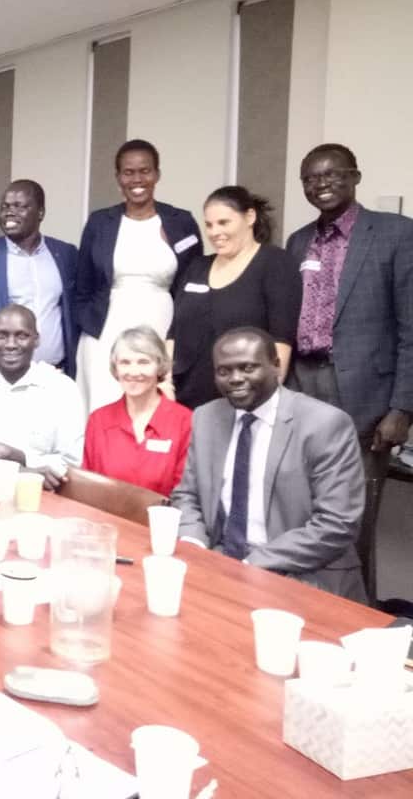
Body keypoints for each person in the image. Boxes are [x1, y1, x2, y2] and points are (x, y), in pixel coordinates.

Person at [172, 328, 366, 601]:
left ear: (276, 366)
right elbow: (187, 495)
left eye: (247, 367)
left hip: (299, 573)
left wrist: (251, 564)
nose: (235, 379)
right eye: (224, 371)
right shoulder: (206, 417)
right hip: (218, 563)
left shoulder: (324, 424)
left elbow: (337, 523)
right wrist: (193, 543)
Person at [287, 143, 413, 483]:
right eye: (309, 179)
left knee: (354, 509)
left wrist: (402, 409)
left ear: (355, 177)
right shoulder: (298, 241)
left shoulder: (397, 234)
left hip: (364, 394)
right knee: (302, 497)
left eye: (331, 174)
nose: (320, 184)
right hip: (302, 383)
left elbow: (410, 329)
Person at [75, 139, 203, 411]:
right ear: (118, 177)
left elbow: (193, 283)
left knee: (155, 406)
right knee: (104, 406)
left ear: (157, 174)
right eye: (128, 172)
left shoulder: (181, 222)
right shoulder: (100, 222)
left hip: (161, 325)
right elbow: (82, 285)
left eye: (145, 171)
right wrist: (89, 324)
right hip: (105, 331)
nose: (137, 179)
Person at [168, 187, 301, 409]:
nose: (214, 232)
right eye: (209, 225)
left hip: (243, 402)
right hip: (184, 401)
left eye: (223, 222)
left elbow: (281, 343)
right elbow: (173, 333)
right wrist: (164, 383)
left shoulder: (275, 263)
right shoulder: (197, 267)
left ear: (250, 217)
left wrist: (264, 406)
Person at [0, 305, 84, 487]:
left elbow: (71, 461)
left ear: (36, 340)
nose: (11, 344)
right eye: (2, 335)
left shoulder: (63, 389)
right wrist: (21, 472)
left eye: (22, 336)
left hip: (42, 494)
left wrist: (10, 453)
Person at [0, 179, 78, 374]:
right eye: (5, 207)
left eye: (20, 206)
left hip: (54, 373)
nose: (10, 212)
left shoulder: (65, 254)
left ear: (40, 212)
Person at [82, 326, 192, 496]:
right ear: (115, 368)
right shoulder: (99, 420)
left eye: (143, 362)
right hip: (105, 520)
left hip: (162, 521)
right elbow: (88, 488)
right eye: (125, 362)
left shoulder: (185, 422)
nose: (133, 372)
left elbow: (185, 495)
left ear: (160, 366)